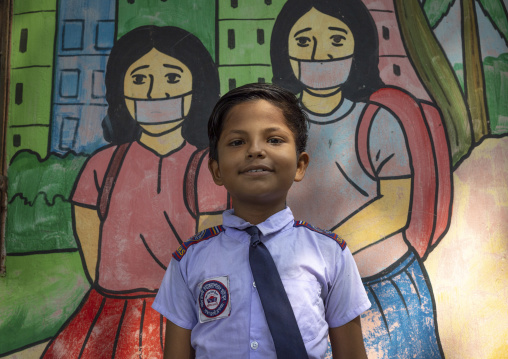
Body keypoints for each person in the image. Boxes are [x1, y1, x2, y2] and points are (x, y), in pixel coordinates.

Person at [270, 0, 448, 358]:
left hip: (384, 288)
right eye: (304, 42)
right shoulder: (274, 128)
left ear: (358, 49)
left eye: (337, 40)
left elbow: (395, 209)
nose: (320, 54)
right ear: (284, 52)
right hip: (303, 294)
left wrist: (319, 252)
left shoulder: (376, 121)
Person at [42, 26, 227, 358]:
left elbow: (206, 256)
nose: (155, 93)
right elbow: (94, 256)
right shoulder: (102, 164)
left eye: (172, 78)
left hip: (180, 316)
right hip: (108, 316)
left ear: (196, 87)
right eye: (140, 79)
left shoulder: (205, 168)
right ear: (121, 91)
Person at [152, 83, 371, 358]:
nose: (255, 150)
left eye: (274, 140)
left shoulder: (330, 254)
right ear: (216, 170)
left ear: (300, 165)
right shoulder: (189, 260)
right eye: (237, 142)